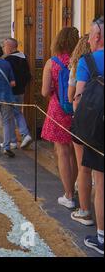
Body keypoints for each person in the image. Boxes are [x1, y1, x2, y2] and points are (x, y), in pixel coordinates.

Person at [74, 16, 104, 254]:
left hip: (99, 130)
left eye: (93, 35)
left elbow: (79, 101)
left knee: (101, 183)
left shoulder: (88, 60)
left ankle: (102, 238)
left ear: (97, 37)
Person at [41, 27, 79, 209]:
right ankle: (77, 187)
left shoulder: (52, 62)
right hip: (77, 110)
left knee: (62, 153)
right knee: (75, 152)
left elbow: (44, 91)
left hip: (58, 109)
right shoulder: (79, 61)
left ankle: (69, 195)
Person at [67, 35, 94, 226]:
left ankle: (85, 211)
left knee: (84, 169)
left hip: (84, 121)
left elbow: (73, 97)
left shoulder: (80, 65)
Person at [3, 38, 33, 149]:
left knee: (9, 116)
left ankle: (14, 140)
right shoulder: (23, 58)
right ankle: (23, 135)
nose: (4, 49)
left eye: (4, 46)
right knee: (17, 113)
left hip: (10, 92)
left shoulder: (8, 60)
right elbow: (28, 76)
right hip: (20, 91)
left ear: (10, 47)